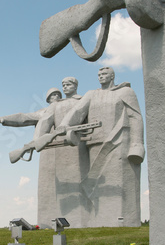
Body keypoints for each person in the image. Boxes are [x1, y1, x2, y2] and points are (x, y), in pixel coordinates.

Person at [0, 78, 91, 228]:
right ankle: (50, 222)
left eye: (57, 94)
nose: (55, 97)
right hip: (49, 149)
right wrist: (4, 119)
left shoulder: (81, 101)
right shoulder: (50, 109)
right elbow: (24, 117)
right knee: (51, 189)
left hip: (73, 145)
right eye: (51, 96)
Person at [57, 67, 145, 227]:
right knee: (97, 184)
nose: (100, 77)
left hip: (119, 142)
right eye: (98, 75)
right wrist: (64, 124)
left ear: (112, 76)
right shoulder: (92, 94)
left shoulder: (125, 92)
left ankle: (123, 220)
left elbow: (135, 117)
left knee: (119, 183)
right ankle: (98, 220)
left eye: (104, 74)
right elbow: (77, 111)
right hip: (95, 144)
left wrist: (137, 144)